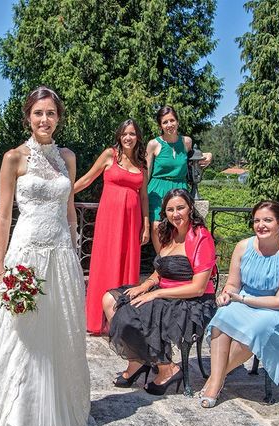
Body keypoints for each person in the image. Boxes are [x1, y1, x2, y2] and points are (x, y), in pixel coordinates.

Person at [0, 86, 91, 426]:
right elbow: (3, 216)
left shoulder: (67, 157)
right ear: (28, 117)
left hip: (61, 256)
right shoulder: (14, 158)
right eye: (38, 113)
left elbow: (70, 212)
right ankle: (18, 415)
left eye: (51, 113)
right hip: (26, 255)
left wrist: (74, 251)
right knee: (22, 334)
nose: (45, 120)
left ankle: (57, 412)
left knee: (59, 333)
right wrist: (2, 267)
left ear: (58, 117)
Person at [102, 188, 217, 395]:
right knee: (111, 299)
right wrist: (145, 285)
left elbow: (198, 288)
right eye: (170, 209)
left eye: (180, 208)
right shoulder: (169, 233)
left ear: (190, 208)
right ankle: (137, 360)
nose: (176, 214)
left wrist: (155, 294)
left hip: (192, 302)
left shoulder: (202, 238)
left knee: (139, 311)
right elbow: (160, 270)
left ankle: (167, 369)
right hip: (163, 290)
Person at [200, 200, 279, 408]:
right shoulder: (243, 247)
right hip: (243, 301)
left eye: (267, 220)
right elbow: (233, 284)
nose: (261, 225)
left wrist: (244, 300)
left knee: (255, 328)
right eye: (257, 220)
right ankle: (218, 378)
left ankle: (215, 380)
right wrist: (227, 295)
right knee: (222, 317)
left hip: (276, 310)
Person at [74, 119, 150, 335]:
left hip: (131, 222)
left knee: (126, 264)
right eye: (125, 133)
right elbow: (88, 179)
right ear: (119, 135)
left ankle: (121, 320)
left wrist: (145, 223)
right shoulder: (110, 155)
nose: (128, 137)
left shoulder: (141, 164)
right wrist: (64, 193)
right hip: (109, 220)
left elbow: (143, 196)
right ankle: (99, 320)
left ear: (138, 137)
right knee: (105, 263)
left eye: (133, 134)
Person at [146, 105, 212, 253]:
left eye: (172, 120)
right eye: (165, 122)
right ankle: (161, 261)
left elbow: (198, 155)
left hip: (179, 187)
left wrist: (209, 155)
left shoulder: (186, 142)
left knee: (180, 227)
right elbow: (146, 172)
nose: (169, 125)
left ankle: (177, 259)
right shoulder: (153, 144)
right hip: (158, 188)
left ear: (177, 121)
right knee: (157, 226)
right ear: (160, 125)